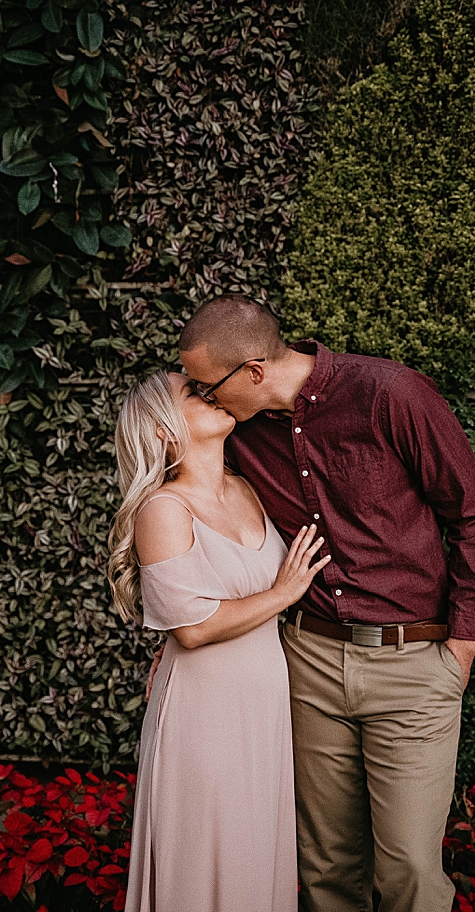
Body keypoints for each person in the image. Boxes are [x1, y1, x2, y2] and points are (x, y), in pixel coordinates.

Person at [176, 295, 475, 912]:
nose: (203, 398)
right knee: (326, 866)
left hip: (413, 664)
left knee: (408, 868)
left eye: (205, 384)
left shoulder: (389, 394)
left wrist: (461, 644)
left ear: (252, 370)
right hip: (309, 663)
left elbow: (474, 515)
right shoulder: (238, 435)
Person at [108, 369, 331, 912]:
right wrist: (283, 595)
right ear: (162, 429)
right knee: (209, 851)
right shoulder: (163, 509)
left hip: (264, 703)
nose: (210, 394)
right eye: (193, 393)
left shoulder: (250, 487)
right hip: (203, 711)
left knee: (255, 852)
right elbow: (193, 627)